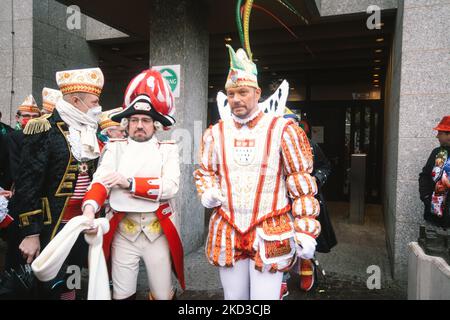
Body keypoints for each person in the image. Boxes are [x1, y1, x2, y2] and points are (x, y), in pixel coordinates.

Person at [194, 45, 320, 300]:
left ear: (257, 93)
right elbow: (205, 171)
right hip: (228, 227)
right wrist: (206, 190)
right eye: (231, 94)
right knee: (234, 299)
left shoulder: (283, 130)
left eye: (242, 92)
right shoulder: (215, 133)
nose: (236, 99)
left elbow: (300, 183)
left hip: (271, 228)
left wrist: (306, 229)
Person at [82, 69, 184, 300]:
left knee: (162, 293)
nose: (140, 125)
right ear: (126, 124)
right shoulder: (115, 147)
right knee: (122, 293)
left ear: (155, 125)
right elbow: (100, 182)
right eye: (135, 120)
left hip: (156, 233)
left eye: (146, 120)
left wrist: (128, 183)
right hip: (123, 233)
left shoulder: (167, 150)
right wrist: (89, 210)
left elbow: (170, 186)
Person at [12, 67, 104, 299]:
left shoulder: (88, 129)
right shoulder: (44, 129)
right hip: (50, 226)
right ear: (76, 100)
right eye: (94, 102)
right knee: (46, 285)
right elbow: (27, 184)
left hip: (81, 223)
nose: (97, 107)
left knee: (71, 279)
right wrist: (30, 233)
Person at [285, 114, 337, 293]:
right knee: (279, 237)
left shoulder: (310, 146)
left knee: (305, 233)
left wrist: (316, 179)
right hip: (280, 200)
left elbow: (325, 166)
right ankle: (281, 276)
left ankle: (307, 267)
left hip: (305, 198)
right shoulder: (270, 146)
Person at [419, 115, 450, 229]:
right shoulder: (437, 153)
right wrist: (426, 197)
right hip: (434, 216)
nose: (437, 136)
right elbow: (425, 175)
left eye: (440, 133)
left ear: (448, 135)